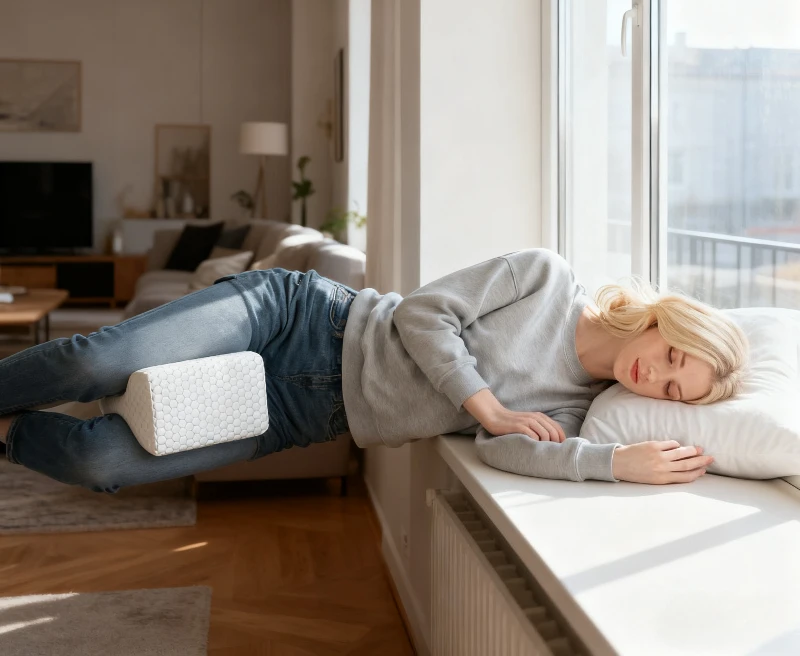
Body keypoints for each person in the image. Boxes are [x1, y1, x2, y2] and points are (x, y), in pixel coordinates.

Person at [0, 248, 748, 493]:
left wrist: (616, 463)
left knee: (103, 463)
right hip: (301, 319)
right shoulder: (547, 279)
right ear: (665, 320)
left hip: (305, 414)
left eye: (673, 389)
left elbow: (508, 451)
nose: (656, 377)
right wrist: (486, 403)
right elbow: (424, 315)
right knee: (96, 361)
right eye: (673, 356)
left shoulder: (576, 411)